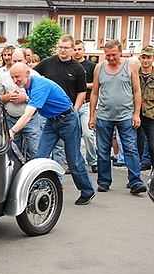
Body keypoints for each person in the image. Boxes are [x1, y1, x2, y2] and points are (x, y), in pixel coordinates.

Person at [8, 62, 96, 205]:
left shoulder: (39, 86)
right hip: (52, 121)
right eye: (12, 78)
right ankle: (43, 189)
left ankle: (87, 191)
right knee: (39, 158)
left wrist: (13, 130)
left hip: (68, 120)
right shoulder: (29, 86)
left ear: (28, 73)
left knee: (73, 160)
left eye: (17, 76)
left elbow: (28, 114)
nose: (15, 81)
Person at [89, 40, 147, 195]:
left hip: (126, 115)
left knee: (131, 149)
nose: (111, 58)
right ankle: (104, 181)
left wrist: (136, 113)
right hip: (104, 115)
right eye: (107, 55)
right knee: (103, 150)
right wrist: (92, 115)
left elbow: (137, 91)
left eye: (113, 54)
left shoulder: (130, 65)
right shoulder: (99, 68)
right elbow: (95, 92)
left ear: (121, 52)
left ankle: (135, 182)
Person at [35, 34, 87, 171]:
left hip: (67, 114)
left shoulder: (78, 68)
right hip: (47, 112)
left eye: (66, 48)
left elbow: (82, 91)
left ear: (72, 49)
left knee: (62, 150)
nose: (62, 50)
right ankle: (43, 178)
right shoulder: (48, 63)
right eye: (60, 47)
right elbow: (33, 76)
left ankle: (57, 178)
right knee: (42, 152)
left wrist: (75, 110)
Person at [0, 49, 41, 159]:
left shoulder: (35, 76)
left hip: (30, 119)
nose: (16, 63)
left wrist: (25, 98)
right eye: (14, 61)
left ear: (26, 60)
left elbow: (41, 98)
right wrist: (8, 97)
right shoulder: (4, 76)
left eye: (20, 60)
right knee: (13, 152)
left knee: (35, 150)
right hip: (10, 118)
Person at [73, 39, 98, 173]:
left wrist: (83, 85)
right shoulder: (68, 65)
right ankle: (75, 162)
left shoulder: (91, 66)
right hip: (72, 104)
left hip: (87, 103)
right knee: (73, 136)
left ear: (84, 50)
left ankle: (93, 160)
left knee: (88, 134)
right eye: (75, 49)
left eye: (79, 49)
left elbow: (97, 85)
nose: (77, 52)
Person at [138, 45, 154, 173]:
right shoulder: (134, 74)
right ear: (140, 58)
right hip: (136, 115)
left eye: (148, 57)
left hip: (151, 115)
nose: (146, 60)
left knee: (153, 146)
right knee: (135, 148)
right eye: (143, 57)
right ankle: (134, 178)